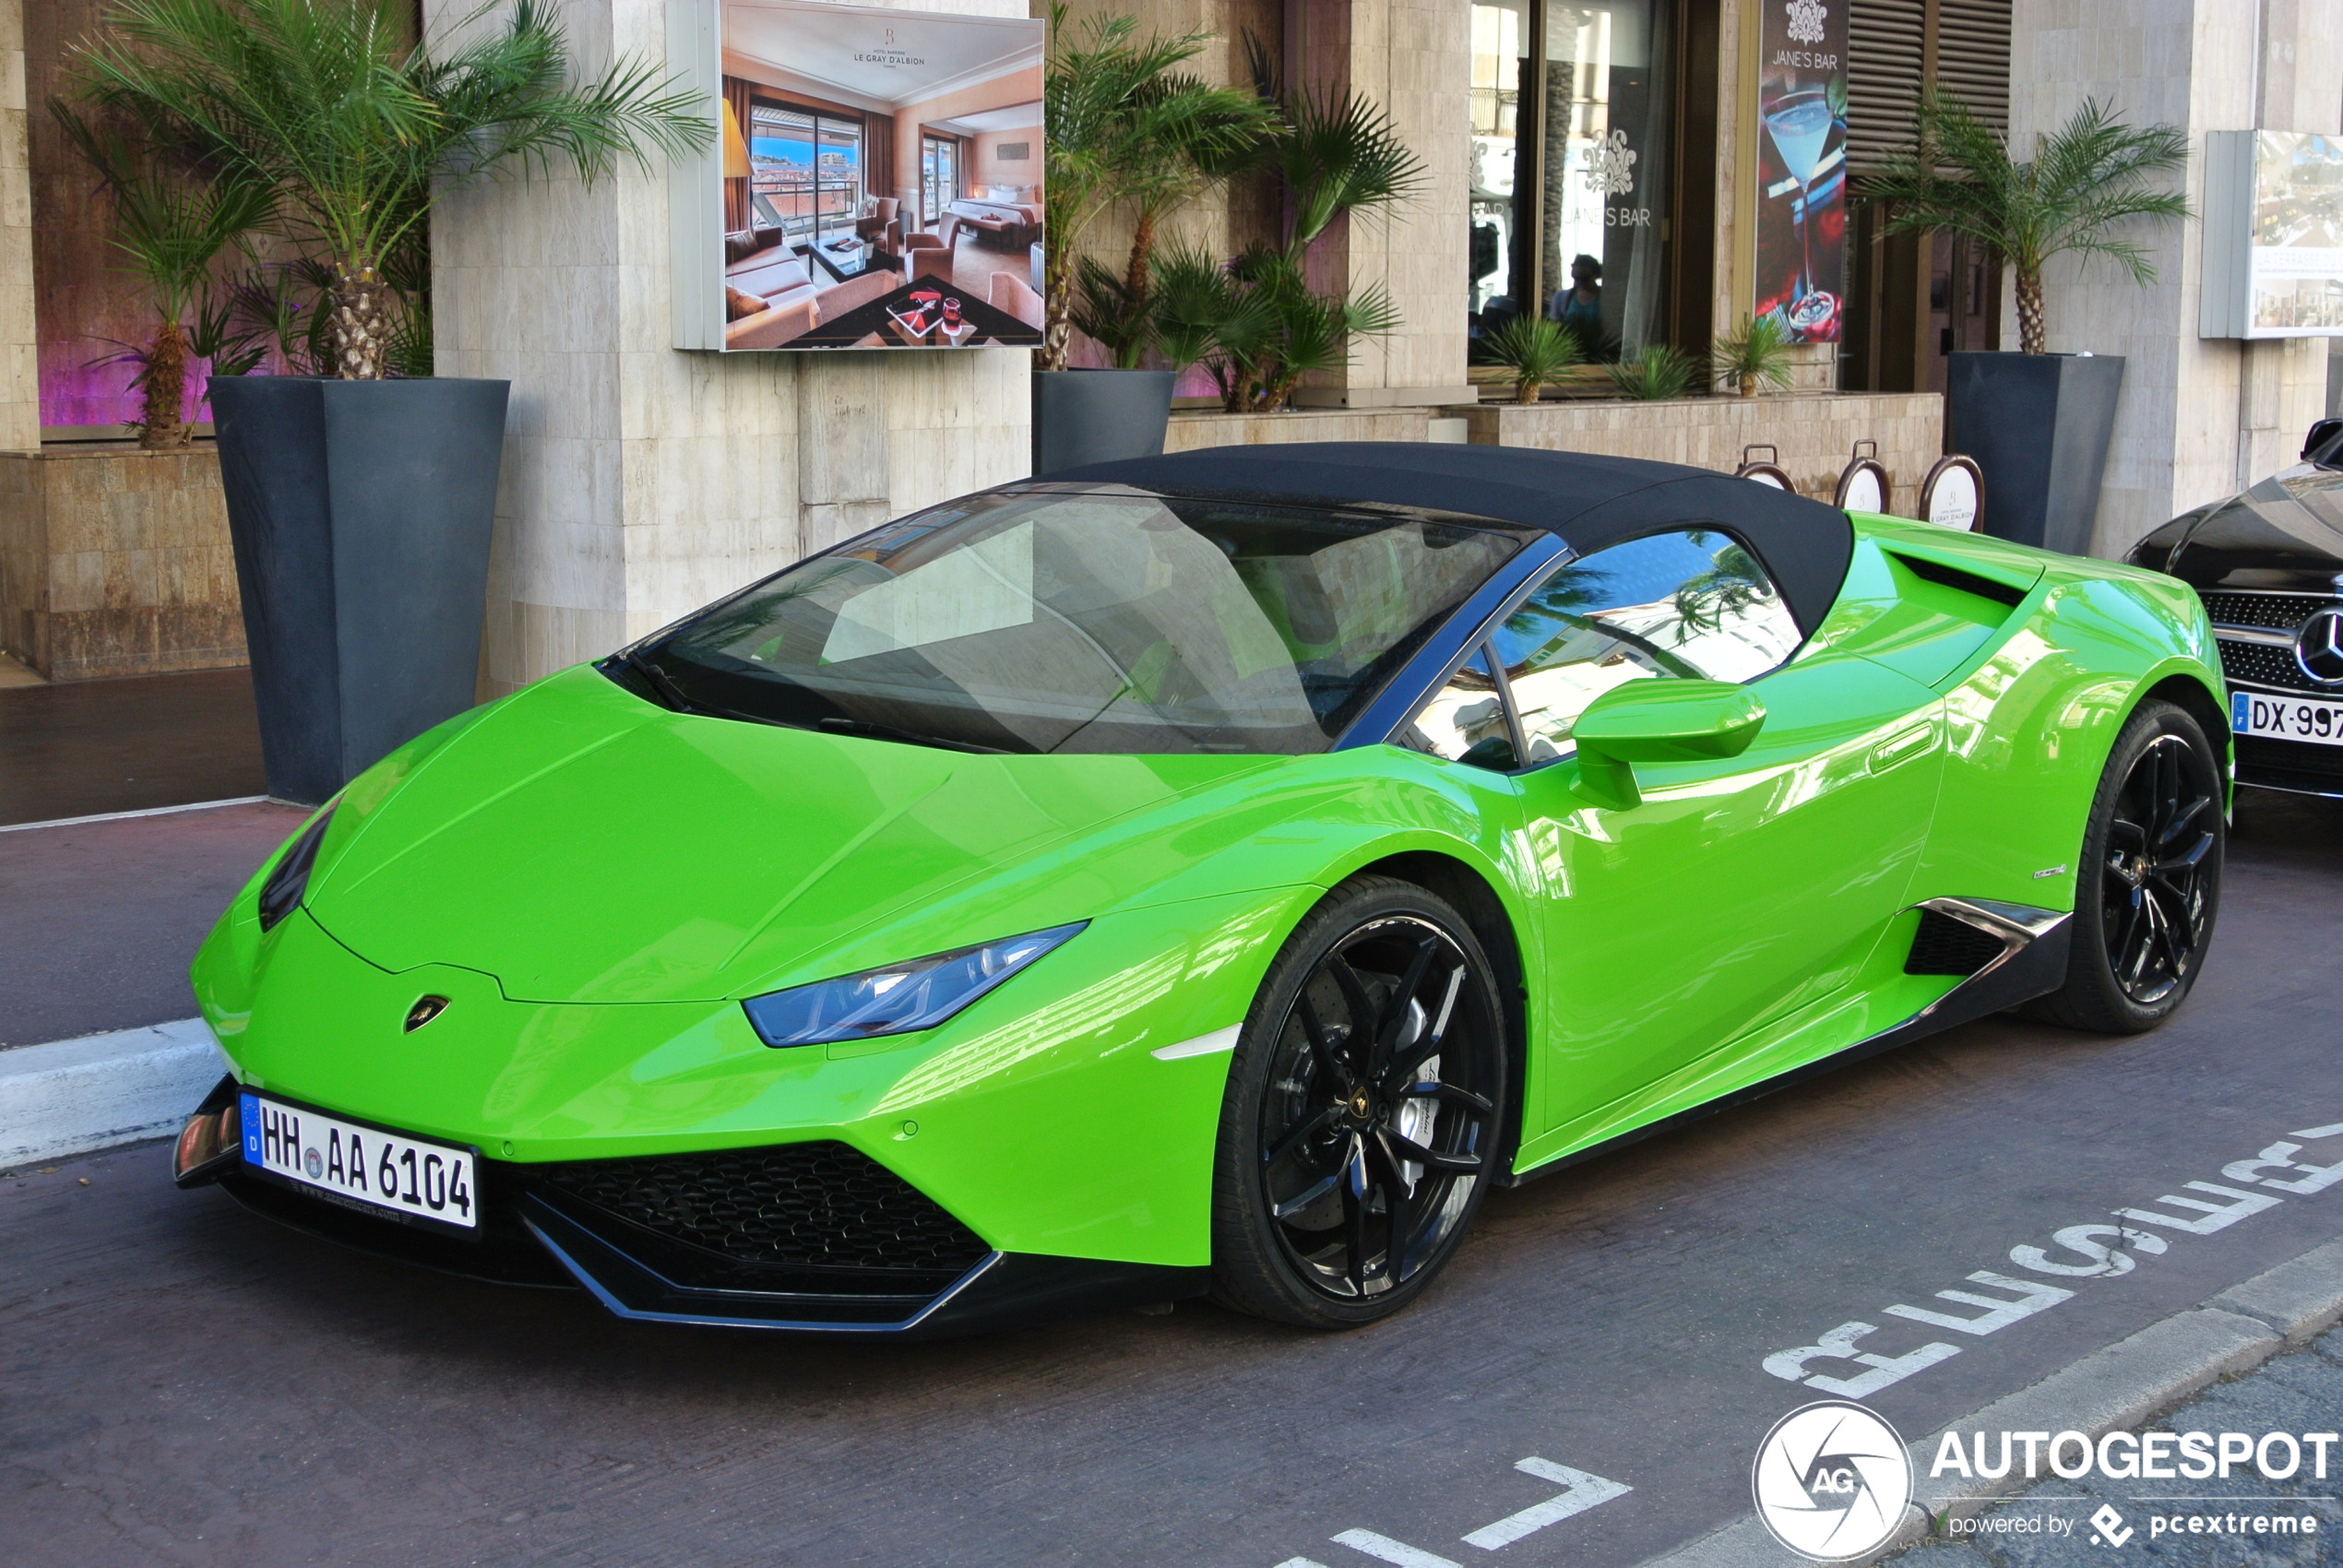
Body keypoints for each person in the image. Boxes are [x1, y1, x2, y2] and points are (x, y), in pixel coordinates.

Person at [1548, 254, 1604, 344]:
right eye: (1575, 278)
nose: (1579, 283)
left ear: (1595, 275)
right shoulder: (1561, 298)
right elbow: (1554, 329)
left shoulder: (1605, 298)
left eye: (1584, 279)